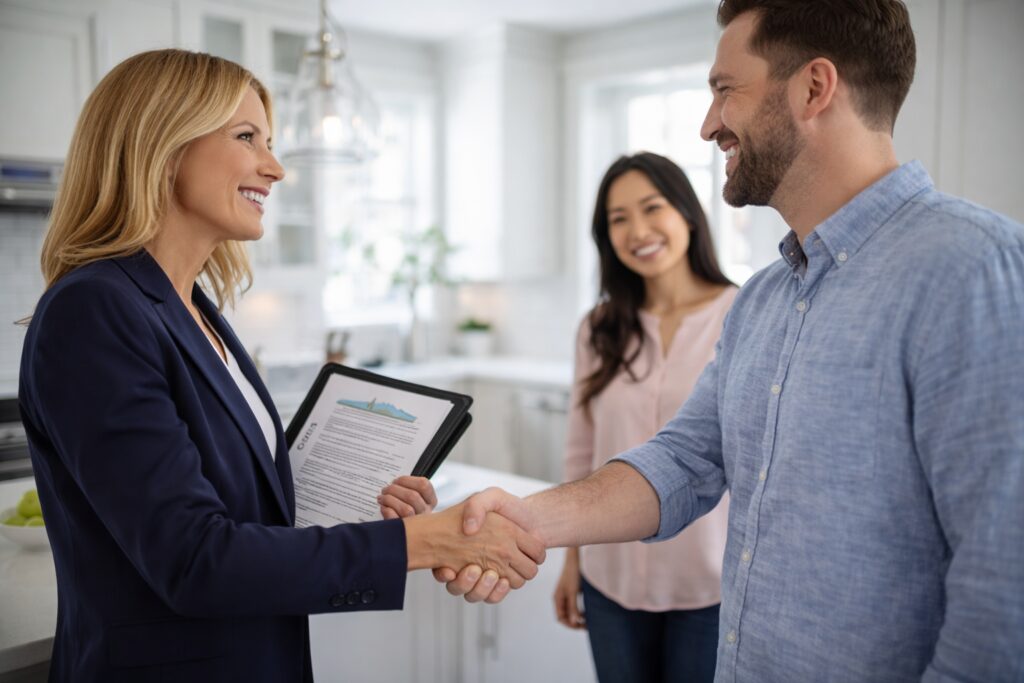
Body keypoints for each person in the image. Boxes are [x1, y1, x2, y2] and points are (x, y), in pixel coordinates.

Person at [440, 1, 1024, 681]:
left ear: (813, 88)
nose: (709, 123)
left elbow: (1005, 587)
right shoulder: (766, 299)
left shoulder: (975, 269)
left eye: (725, 90)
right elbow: (685, 460)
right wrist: (524, 515)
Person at [18, 49, 542, 682]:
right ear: (162, 144)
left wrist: (353, 507)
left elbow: (240, 510)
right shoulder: (96, 308)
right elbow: (194, 560)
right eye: (247, 138)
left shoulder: (195, 309)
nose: (275, 167)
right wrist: (427, 540)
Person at [554, 152, 734, 683]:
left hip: (709, 585)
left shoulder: (742, 315)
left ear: (687, 213)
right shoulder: (599, 328)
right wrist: (571, 561)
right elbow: (580, 454)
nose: (637, 230)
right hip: (610, 579)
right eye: (618, 219)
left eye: (652, 208)